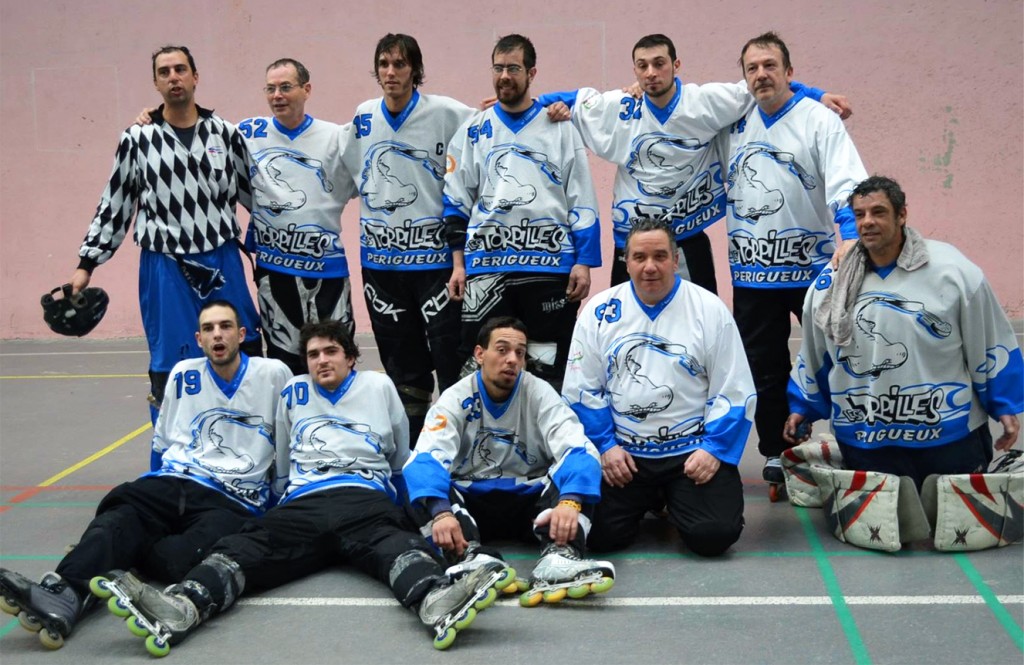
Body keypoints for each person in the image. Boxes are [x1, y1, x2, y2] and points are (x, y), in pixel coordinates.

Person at [95, 320, 514, 654]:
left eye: (331, 351)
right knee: (243, 547)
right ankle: (183, 606)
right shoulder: (292, 392)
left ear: (351, 358)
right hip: (305, 500)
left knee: (397, 547)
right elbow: (280, 454)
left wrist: (397, 496)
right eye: (313, 354)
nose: (321, 360)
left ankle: (435, 600)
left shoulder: (378, 386)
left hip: (362, 496)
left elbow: (398, 451)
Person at [0, 300, 291, 650]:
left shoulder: (272, 374)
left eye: (226, 326)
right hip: (172, 481)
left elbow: (288, 436)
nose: (218, 335)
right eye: (210, 329)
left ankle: (113, 557)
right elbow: (164, 441)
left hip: (231, 497)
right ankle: (63, 594)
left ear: (241, 334)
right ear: (199, 338)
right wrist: (151, 488)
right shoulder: (184, 374)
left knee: (176, 560)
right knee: (118, 520)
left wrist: (279, 496)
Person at [537, 33, 848, 294]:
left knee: (702, 324)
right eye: (642, 66)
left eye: (659, 64)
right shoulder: (619, 108)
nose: (651, 73)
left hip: (689, 236)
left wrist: (816, 95)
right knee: (631, 325)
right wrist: (533, 105)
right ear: (634, 71)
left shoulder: (705, 102)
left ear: (676, 65)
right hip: (632, 241)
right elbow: (573, 98)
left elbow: (761, 83)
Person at [785, 175, 1023, 486]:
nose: (867, 222)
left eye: (879, 212)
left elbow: (988, 340)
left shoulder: (954, 272)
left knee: (952, 525)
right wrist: (802, 408)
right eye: (859, 215)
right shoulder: (831, 285)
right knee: (880, 527)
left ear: (902, 215)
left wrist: (1003, 404)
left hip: (946, 434)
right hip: (867, 438)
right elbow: (816, 355)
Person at [70, 46, 263, 425]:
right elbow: (116, 204)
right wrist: (86, 265)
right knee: (171, 362)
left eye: (180, 69)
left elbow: (256, 197)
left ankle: (253, 447)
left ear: (195, 76)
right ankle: (170, 458)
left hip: (222, 257)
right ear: (156, 83)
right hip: (166, 266)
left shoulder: (224, 133)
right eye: (164, 72)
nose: (173, 77)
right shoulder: (137, 139)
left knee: (246, 346)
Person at [717, 31, 868, 484]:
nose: (761, 74)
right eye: (752, 68)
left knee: (840, 356)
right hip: (752, 273)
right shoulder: (732, 120)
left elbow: (847, 182)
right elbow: (680, 107)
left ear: (789, 72)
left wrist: (847, 236)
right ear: (743, 77)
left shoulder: (819, 120)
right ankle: (777, 452)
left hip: (817, 270)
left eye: (770, 65)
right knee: (764, 367)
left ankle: (856, 440)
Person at [562, 218, 756, 556]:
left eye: (660, 256)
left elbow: (734, 389)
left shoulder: (709, 309)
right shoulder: (598, 311)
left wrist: (713, 449)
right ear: (626, 261)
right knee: (597, 536)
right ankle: (652, 498)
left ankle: (674, 497)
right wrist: (606, 447)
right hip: (624, 458)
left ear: (675, 260)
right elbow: (581, 390)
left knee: (713, 536)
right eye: (639, 257)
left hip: (691, 454)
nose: (649, 267)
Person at [403, 316, 615, 606]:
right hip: (471, 502)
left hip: (529, 502)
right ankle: (471, 559)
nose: (512, 360)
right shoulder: (455, 398)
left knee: (581, 473)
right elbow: (426, 458)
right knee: (419, 487)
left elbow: (578, 448)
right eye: (502, 350)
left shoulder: (539, 392)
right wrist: (441, 512)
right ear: (480, 354)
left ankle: (559, 556)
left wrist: (570, 501)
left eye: (519, 352)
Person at [443, 34, 602, 391]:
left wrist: (584, 261)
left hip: (550, 270)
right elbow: (454, 201)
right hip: (486, 270)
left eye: (513, 68)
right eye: (498, 68)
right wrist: (457, 263)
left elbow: (582, 198)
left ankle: (546, 446)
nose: (504, 76)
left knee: (549, 369)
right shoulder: (473, 130)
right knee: (478, 367)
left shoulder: (560, 127)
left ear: (531, 73)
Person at [341, 34, 474, 444]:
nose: (391, 72)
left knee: (451, 360)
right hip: (381, 269)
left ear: (415, 71)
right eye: (384, 64)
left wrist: (546, 107)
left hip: (436, 267)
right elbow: (337, 164)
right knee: (403, 368)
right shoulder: (364, 117)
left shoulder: (448, 112)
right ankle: (415, 450)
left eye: (400, 64)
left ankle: (457, 446)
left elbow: (495, 125)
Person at [240, 58, 359, 375]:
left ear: (307, 90)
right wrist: (151, 118)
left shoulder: (337, 137)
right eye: (270, 88)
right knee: (283, 363)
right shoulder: (248, 134)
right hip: (274, 272)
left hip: (328, 272)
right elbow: (199, 133)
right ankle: (292, 424)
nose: (277, 95)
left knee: (335, 358)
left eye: (285, 87)